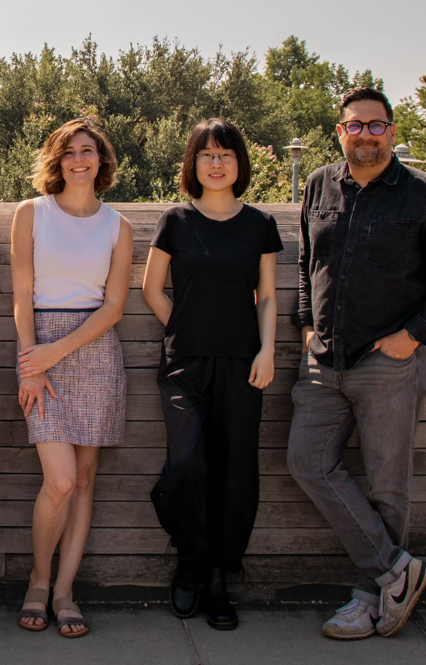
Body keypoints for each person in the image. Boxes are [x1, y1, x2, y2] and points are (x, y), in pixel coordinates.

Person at [287, 87, 426, 640]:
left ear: (391, 131)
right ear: (339, 132)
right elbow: (306, 261)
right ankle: (398, 571)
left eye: (376, 125)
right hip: (324, 360)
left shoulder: (425, 196)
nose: (365, 134)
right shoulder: (319, 184)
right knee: (307, 461)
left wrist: (409, 339)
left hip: (390, 363)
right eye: (355, 125)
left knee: (388, 486)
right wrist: (306, 325)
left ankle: (371, 599)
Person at [143, 118, 282, 630]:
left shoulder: (260, 225)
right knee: (185, 464)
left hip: (246, 365)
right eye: (206, 155)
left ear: (240, 164)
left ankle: (220, 577)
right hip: (185, 365)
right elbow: (151, 290)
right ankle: (189, 557)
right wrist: (184, 328)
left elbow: (266, 295)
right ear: (193, 164)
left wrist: (267, 350)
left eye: (225, 154)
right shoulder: (176, 221)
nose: (216, 163)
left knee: (234, 471)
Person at [12, 117, 134, 638]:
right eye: (68, 152)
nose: (79, 159)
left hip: (94, 352)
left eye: (88, 150)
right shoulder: (30, 213)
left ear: (101, 161)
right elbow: (21, 296)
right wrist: (32, 362)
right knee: (59, 481)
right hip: (40, 353)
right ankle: (37, 582)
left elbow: (114, 307)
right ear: (56, 161)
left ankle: (64, 592)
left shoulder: (118, 226)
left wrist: (56, 352)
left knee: (84, 481)